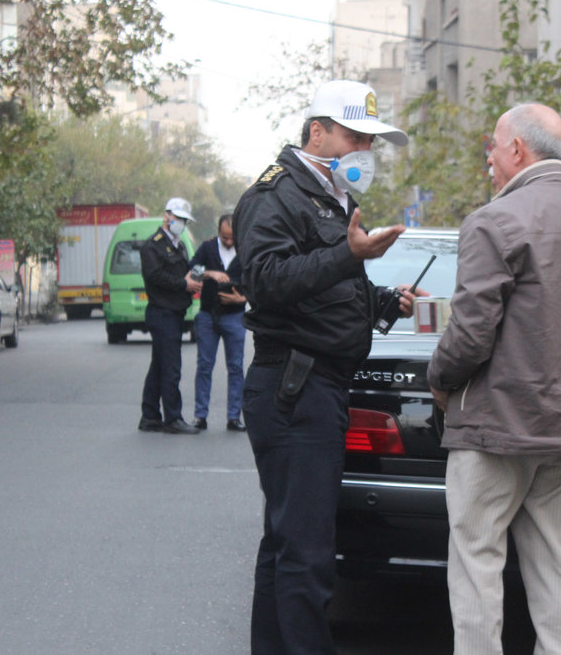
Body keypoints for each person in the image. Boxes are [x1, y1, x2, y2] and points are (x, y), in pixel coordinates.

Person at [427, 103, 561, 655]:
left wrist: (440, 380)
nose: (488, 161)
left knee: (476, 562)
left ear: (517, 149)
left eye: (491, 148)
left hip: (496, 427)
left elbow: (471, 334)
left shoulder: (494, 220)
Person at [233, 79, 427, 654]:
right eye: (353, 135)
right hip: (295, 388)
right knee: (308, 554)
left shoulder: (329, 198)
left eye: (369, 140)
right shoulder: (275, 195)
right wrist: (349, 254)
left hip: (316, 385)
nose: (361, 150)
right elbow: (264, 283)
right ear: (316, 131)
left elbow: (324, 290)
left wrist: (382, 300)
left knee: (287, 544)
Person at [138, 197, 203, 435]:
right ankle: (173, 418)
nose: (182, 223)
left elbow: (182, 274)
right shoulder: (152, 246)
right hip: (162, 312)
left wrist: (194, 283)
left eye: (185, 220)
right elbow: (156, 277)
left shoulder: (180, 245)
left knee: (159, 367)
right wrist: (183, 285)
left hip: (175, 312)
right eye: (179, 218)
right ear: (167, 216)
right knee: (171, 368)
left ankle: (150, 416)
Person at [188, 213, 247, 432]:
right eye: (225, 238)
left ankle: (234, 417)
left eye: (232, 238)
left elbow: (256, 279)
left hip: (235, 317)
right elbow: (191, 271)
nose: (229, 242)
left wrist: (242, 297)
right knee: (204, 366)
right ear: (218, 232)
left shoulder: (245, 250)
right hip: (207, 316)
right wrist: (210, 273)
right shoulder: (207, 248)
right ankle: (200, 416)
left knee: (236, 368)